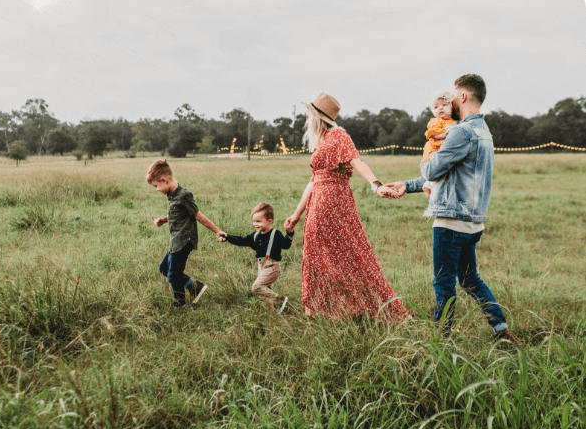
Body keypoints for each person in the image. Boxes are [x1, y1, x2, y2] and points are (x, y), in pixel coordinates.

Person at [385, 75, 519, 345]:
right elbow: (451, 175)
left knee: (443, 283)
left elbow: (434, 169)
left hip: (451, 221)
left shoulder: (461, 131)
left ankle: (439, 341)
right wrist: (408, 185)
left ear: (464, 97)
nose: (451, 101)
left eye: (454, 96)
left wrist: (429, 156)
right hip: (473, 222)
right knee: (470, 279)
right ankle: (501, 330)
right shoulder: (484, 132)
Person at [284, 93, 411, 322]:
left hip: (333, 202)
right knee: (316, 255)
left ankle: (362, 307)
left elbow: (356, 160)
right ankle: (324, 310)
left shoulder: (338, 135)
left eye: (309, 114)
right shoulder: (322, 141)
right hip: (318, 203)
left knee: (352, 254)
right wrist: (296, 214)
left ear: (318, 117)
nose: (305, 117)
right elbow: (313, 181)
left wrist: (376, 185)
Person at [146, 159, 224, 310]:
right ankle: (194, 286)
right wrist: (164, 219)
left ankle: (180, 303)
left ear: (164, 180)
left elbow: (198, 215)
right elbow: (178, 213)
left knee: (173, 275)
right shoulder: (172, 195)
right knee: (164, 268)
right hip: (175, 241)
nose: (156, 189)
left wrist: (217, 231)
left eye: (156, 186)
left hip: (184, 241)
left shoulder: (184, 195)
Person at [218, 203, 294, 313]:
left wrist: (290, 233)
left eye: (258, 221)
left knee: (257, 287)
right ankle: (271, 314)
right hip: (261, 266)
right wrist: (227, 236)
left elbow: (286, 245)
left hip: (272, 266)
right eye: (254, 221)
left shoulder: (275, 234)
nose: (255, 224)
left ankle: (280, 300)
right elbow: (241, 240)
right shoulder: (255, 235)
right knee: (264, 293)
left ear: (269, 221)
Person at [422, 91, 456, 199]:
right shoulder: (435, 121)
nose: (440, 108)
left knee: (441, 169)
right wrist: (445, 134)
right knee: (436, 166)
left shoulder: (452, 122)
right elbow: (432, 134)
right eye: (436, 107)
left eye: (444, 105)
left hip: (442, 148)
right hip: (434, 147)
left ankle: (428, 185)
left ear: (452, 108)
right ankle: (429, 186)